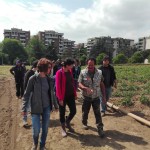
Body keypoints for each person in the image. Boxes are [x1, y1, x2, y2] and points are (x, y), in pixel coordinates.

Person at [22, 58, 58, 150]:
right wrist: (24, 109)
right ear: (44, 68)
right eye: (49, 67)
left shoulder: (49, 79)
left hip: (46, 107)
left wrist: (55, 105)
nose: (51, 69)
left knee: (45, 129)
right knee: (36, 131)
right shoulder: (33, 79)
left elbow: (52, 93)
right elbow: (26, 95)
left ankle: (42, 146)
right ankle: (35, 144)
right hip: (35, 107)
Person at [78, 58, 106, 138]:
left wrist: (104, 96)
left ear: (95, 65)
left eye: (92, 65)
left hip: (96, 97)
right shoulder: (83, 72)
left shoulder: (99, 73)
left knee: (97, 113)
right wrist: (85, 88)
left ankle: (100, 128)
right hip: (86, 97)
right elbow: (79, 83)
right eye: (89, 65)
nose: (90, 66)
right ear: (87, 64)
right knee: (85, 111)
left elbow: (102, 84)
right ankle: (84, 122)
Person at [55, 58, 77, 137]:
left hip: (70, 95)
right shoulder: (59, 73)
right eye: (71, 65)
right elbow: (57, 86)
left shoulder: (70, 71)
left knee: (73, 111)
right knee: (62, 112)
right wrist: (60, 98)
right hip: (62, 96)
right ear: (67, 65)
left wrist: (75, 93)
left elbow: (72, 83)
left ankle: (67, 122)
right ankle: (63, 128)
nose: (73, 66)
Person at [22, 60, 38, 126]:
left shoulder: (37, 73)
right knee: (25, 107)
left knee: (32, 106)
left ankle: (32, 118)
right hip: (28, 93)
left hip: (34, 93)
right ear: (36, 66)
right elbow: (25, 84)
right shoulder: (29, 73)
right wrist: (26, 94)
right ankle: (24, 120)